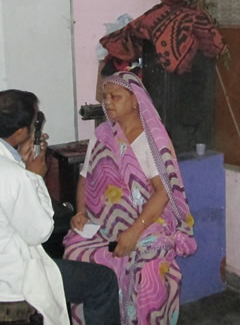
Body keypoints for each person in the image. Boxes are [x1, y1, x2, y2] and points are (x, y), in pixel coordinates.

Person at [0, 90, 121, 325]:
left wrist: (20, 164)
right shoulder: (12, 176)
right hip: (2, 281)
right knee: (103, 281)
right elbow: (40, 232)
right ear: (20, 132)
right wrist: (35, 177)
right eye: (34, 122)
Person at [63, 71, 197, 324]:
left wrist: (134, 232)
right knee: (75, 252)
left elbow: (163, 193)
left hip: (148, 221)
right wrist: (81, 212)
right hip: (103, 223)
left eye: (116, 97)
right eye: (105, 97)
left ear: (135, 100)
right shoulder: (102, 134)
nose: (108, 102)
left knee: (148, 265)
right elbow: (85, 178)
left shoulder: (152, 139)